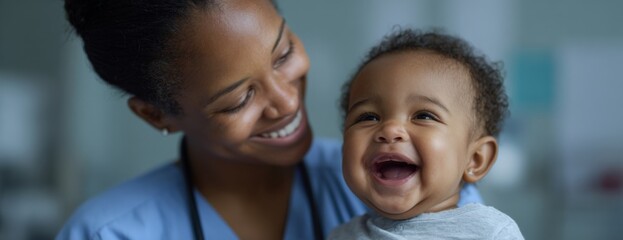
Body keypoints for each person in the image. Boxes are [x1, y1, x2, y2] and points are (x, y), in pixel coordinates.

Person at [57, 0, 483, 239]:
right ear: (156, 115)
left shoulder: (413, 185)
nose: (286, 101)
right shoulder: (108, 233)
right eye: (239, 98)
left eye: (283, 54)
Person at [328, 28, 524, 239]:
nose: (390, 129)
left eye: (424, 116)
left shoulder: (490, 233)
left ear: (476, 159)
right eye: (368, 117)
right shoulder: (342, 236)